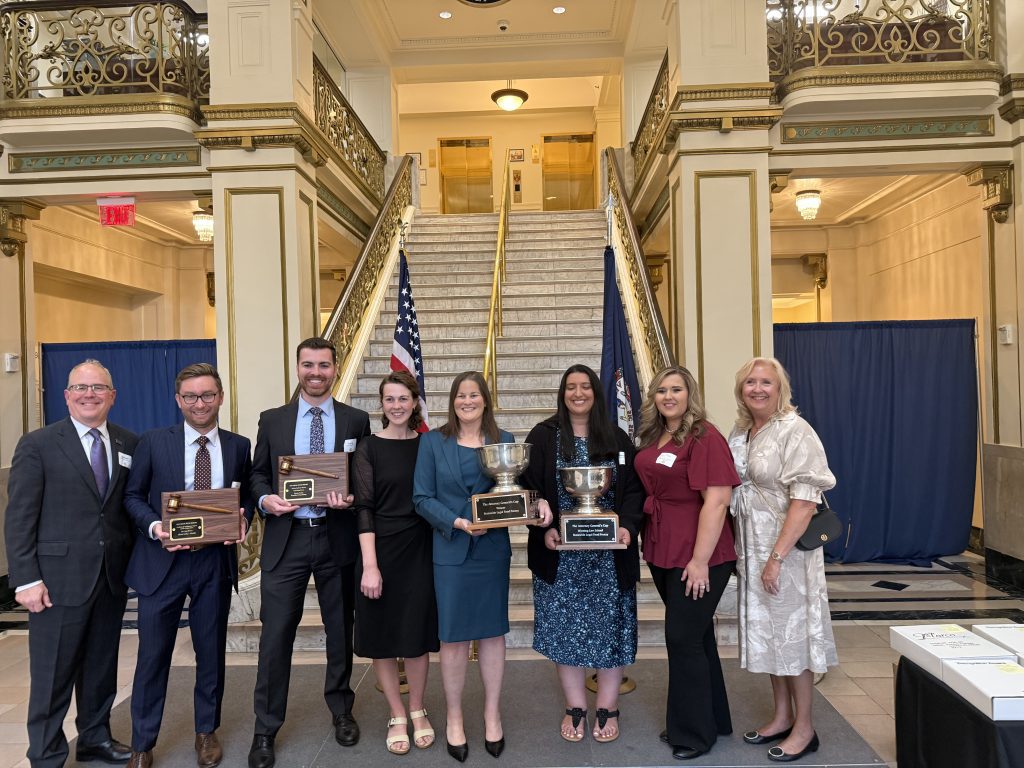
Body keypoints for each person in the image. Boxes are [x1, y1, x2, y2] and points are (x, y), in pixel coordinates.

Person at [6, 359, 138, 768]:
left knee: (101, 668)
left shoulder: (128, 443)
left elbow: (126, 509)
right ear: (66, 396)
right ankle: (45, 754)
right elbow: (20, 516)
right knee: (52, 675)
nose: (89, 395)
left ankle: (95, 738)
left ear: (112, 396)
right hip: (56, 581)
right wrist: (26, 578)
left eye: (98, 388)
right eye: (80, 387)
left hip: (109, 578)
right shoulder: (39, 444)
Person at [413, 371, 551, 763]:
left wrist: (536, 502)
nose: (467, 401)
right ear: (452, 401)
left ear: (486, 400)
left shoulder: (504, 441)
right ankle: (454, 716)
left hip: (491, 552)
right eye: (461, 395)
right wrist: (457, 523)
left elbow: (516, 490)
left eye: (474, 395)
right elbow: (421, 498)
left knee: (492, 635)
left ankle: (492, 712)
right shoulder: (432, 443)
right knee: (453, 638)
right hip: (451, 551)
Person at [247, 337, 371, 768]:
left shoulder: (357, 419)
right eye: (307, 365)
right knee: (275, 635)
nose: (315, 372)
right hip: (288, 538)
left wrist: (352, 499)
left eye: (323, 365)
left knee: (340, 630)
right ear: (297, 368)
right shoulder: (273, 420)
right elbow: (258, 476)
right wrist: (266, 501)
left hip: (336, 536)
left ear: (335, 369)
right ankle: (265, 728)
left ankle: (341, 709)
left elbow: (361, 477)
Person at [122, 363, 252, 768]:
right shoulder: (153, 442)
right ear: (178, 400)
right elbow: (132, 497)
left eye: (208, 395)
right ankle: (143, 743)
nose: (200, 403)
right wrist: (156, 526)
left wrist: (242, 518)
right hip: (162, 562)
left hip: (213, 562)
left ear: (221, 398)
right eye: (192, 396)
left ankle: (205, 732)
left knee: (210, 652)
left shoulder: (238, 445)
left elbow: (243, 495)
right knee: (152, 655)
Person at [521, 364, 643, 745]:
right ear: (563, 392)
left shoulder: (617, 437)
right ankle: (575, 706)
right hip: (560, 556)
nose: (578, 393)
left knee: (610, 631)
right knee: (564, 632)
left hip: (609, 558)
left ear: (596, 393)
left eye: (585, 387)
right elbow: (528, 489)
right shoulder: (543, 436)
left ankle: (608, 706)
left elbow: (635, 491)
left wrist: (627, 526)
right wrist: (544, 525)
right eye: (571, 387)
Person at [728, 357, 837, 763]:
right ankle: (781, 716)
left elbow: (805, 501)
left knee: (793, 639)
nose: (757, 388)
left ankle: (805, 729)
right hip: (753, 547)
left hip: (786, 551)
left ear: (781, 389)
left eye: (766, 382)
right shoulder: (742, 431)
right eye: (750, 382)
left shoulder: (795, 430)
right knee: (772, 635)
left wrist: (776, 558)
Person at [634, 365, 740, 761]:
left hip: (700, 554)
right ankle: (714, 718)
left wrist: (699, 561)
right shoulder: (653, 435)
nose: (668, 396)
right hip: (663, 548)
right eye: (661, 390)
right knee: (698, 637)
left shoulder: (704, 436)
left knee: (682, 638)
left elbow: (717, 501)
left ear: (688, 394)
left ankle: (694, 735)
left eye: (676, 389)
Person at [351, 371, 438, 755]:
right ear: (381, 404)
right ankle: (396, 713)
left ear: (415, 402)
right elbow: (364, 508)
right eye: (390, 399)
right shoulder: (368, 448)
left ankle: (418, 708)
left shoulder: (429, 444)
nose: (397, 406)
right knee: (383, 638)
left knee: (417, 637)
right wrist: (370, 565)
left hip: (421, 549)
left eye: (404, 399)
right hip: (379, 549)